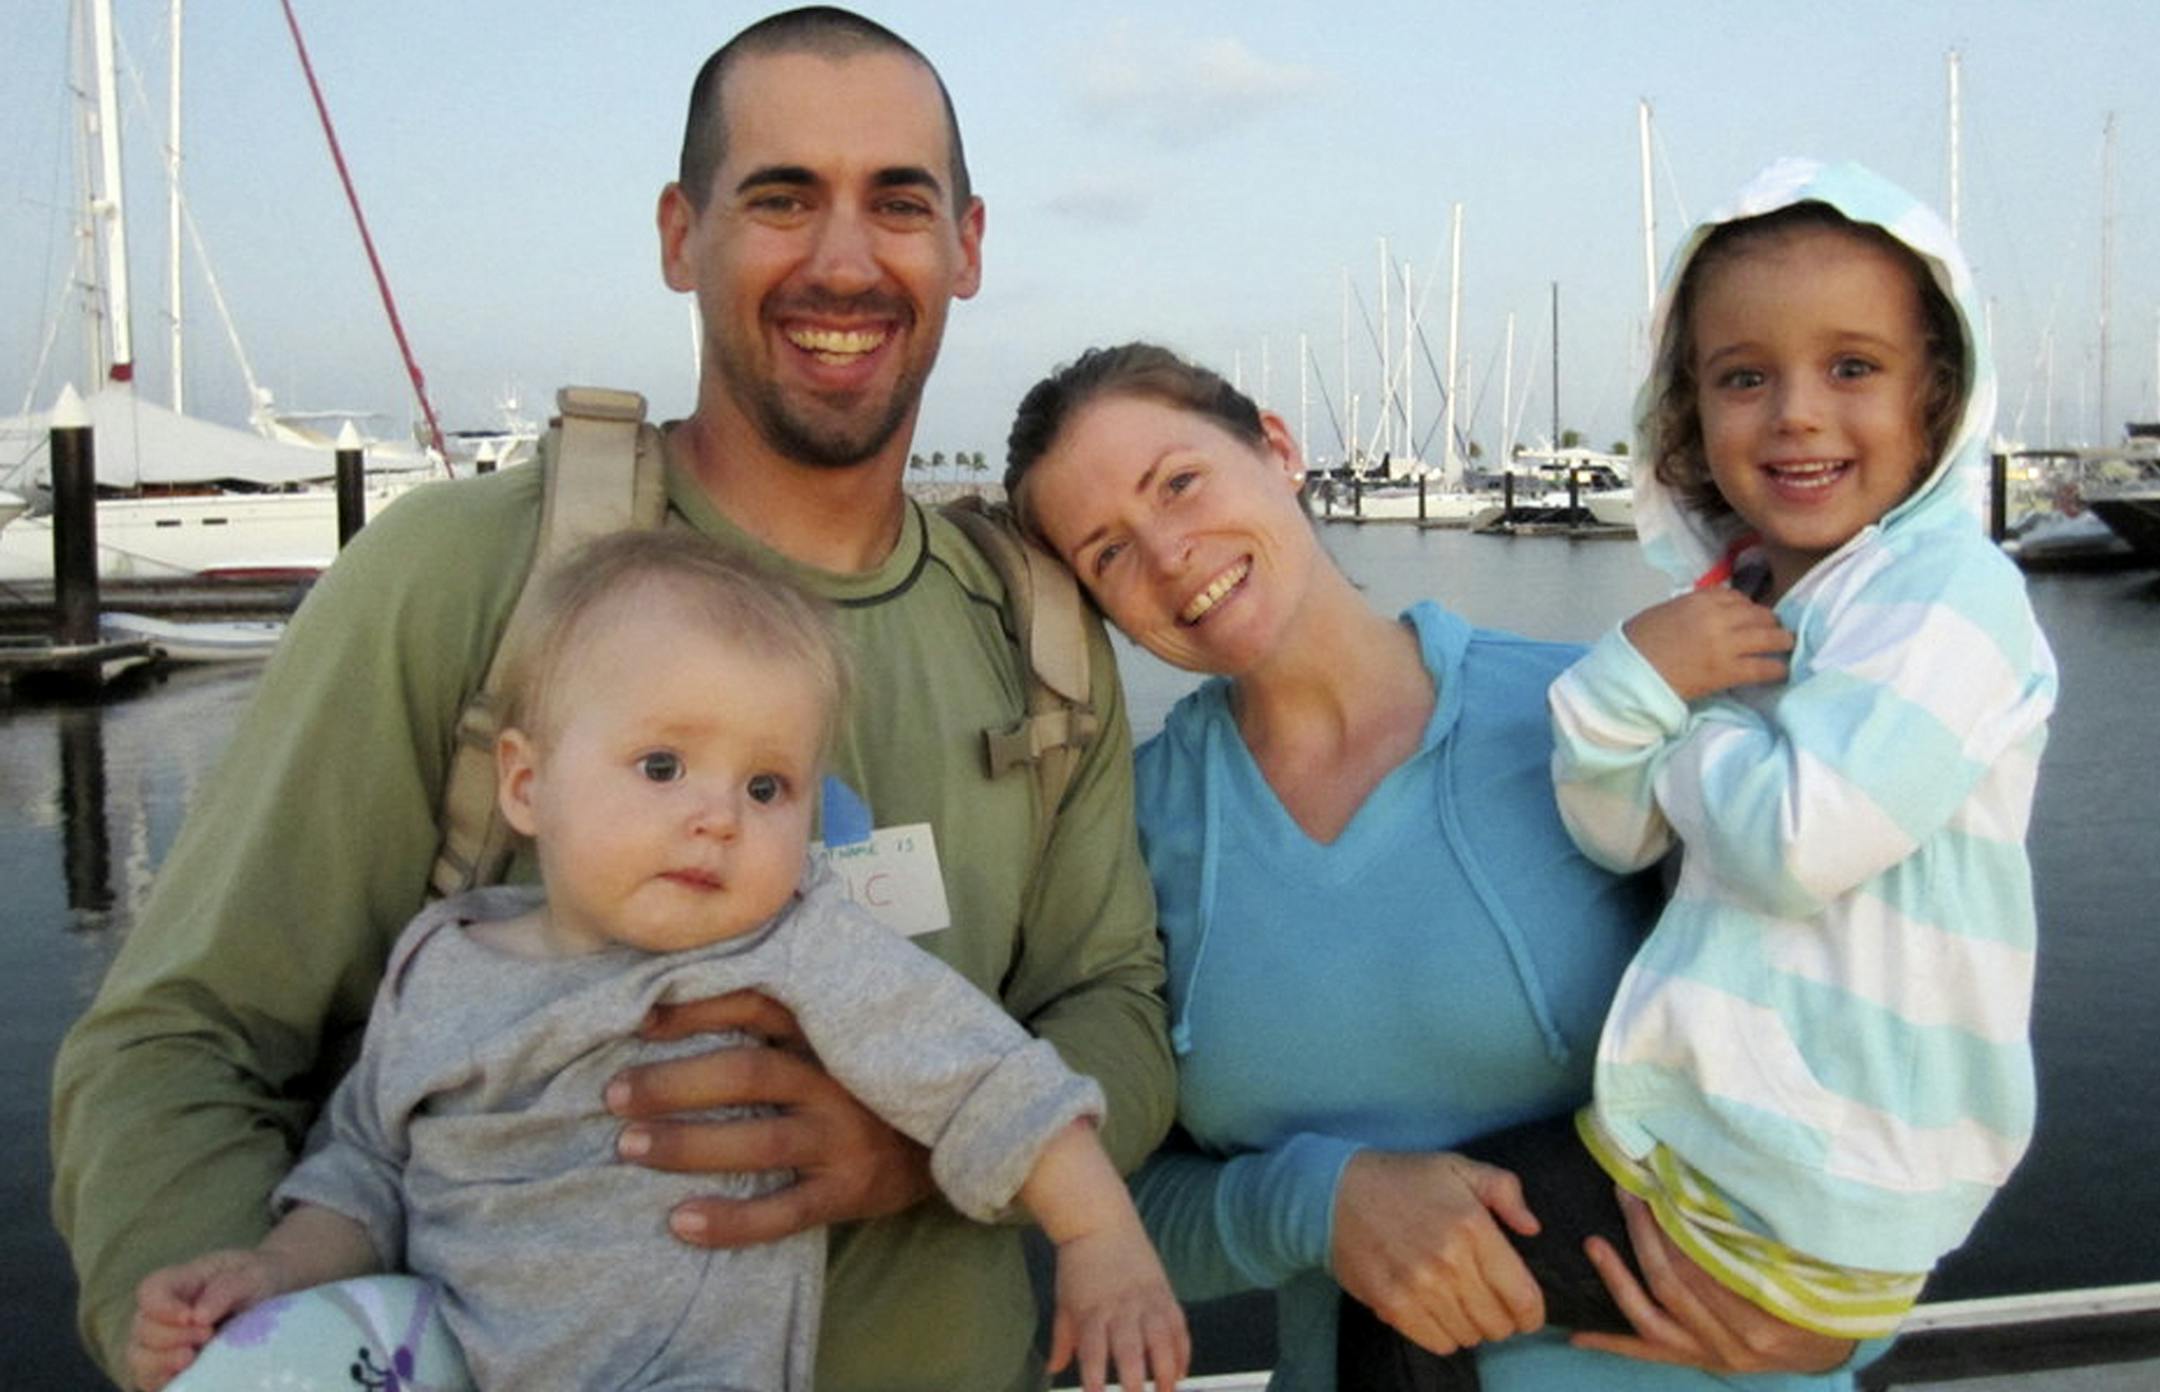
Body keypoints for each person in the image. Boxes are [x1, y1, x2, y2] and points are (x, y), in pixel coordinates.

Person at [52, 10, 1174, 1391]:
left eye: (898, 202)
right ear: (676, 234)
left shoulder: (1041, 630)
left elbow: (1114, 1001)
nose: (843, 258)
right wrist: (240, 1345)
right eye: (780, 198)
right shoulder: (466, 577)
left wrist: (919, 1152)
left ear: (968, 246)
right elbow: (180, 1045)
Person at [1003, 340, 1892, 1391]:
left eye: (1181, 483)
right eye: (1107, 552)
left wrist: (1849, 1323)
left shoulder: (1601, 721)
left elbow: (1874, 1044)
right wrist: (1318, 1204)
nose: (1169, 554)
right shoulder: (1129, 832)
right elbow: (1102, 1199)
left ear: (1278, 448)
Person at [125, 533, 1187, 1392]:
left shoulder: (792, 948)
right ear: (527, 786)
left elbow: (987, 1080)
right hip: (454, 1354)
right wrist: (270, 1271)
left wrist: (1100, 1240)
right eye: (663, 765)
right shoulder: (439, 964)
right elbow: (363, 1172)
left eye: (769, 787)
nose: (717, 817)